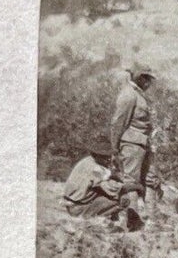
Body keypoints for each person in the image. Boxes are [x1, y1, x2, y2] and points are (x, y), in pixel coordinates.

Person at [62, 139, 143, 229]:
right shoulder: (96, 168)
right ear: (96, 155)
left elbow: (107, 176)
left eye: (109, 156)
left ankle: (105, 221)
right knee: (122, 198)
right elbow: (113, 188)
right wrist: (136, 187)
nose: (108, 159)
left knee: (107, 193)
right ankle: (94, 222)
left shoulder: (87, 161)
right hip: (78, 208)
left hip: (73, 203)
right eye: (105, 156)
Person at [111, 66, 157, 207]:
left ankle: (143, 217)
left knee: (144, 180)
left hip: (142, 143)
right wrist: (115, 149)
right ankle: (131, 217)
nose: (149, 83)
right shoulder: (129, 95)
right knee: (131, 181)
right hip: (131, 144)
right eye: (146, 78)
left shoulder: (138, 94)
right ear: (139, 77)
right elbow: (118, 123)